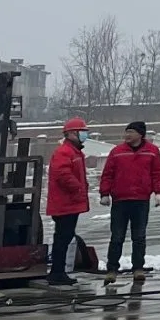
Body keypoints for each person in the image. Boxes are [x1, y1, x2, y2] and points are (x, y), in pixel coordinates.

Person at [99, 120, 160, 280]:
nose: (127, 135)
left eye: (131, 132)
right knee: (117, 237)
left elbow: (157, 172)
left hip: (141, 200)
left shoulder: (152, 151)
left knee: (139, 236)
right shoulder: (117, 151)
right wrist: (104, 193)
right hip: (120, 201)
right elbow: (108, 173)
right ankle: (112, 269)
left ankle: (138, 268)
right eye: (126, 131)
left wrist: (158, 192)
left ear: (140, 134)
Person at [44, 118, 91, 286]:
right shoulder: (65, 152)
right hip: (65, 204)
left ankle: (58, 271)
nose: (85, 135)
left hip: (69, 203)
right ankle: (57, 272)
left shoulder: (73, 152)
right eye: (82, 132)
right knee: (63, 238)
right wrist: (78, 188)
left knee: (65, 237)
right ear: (71, 134)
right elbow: (63, 175)